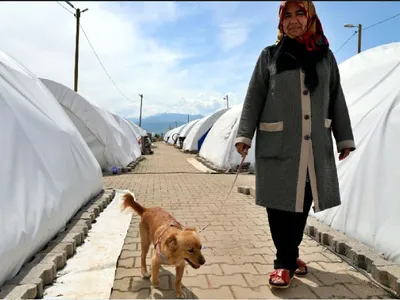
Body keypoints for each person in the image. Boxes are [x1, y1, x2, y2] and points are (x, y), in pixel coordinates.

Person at [235, 0, 356, 289]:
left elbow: (336, 96)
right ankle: (283, 263)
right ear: (280, 21)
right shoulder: (269, 56)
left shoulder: (325, 58)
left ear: (310, 16)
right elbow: (254, 96)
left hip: (314, 145)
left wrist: (344, 137)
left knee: (302, 203)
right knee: (279, 206)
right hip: (278, 144)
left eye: (299, 13)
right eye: (286, 15)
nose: (293, 20)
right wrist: (244, 135)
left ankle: (290, 255)